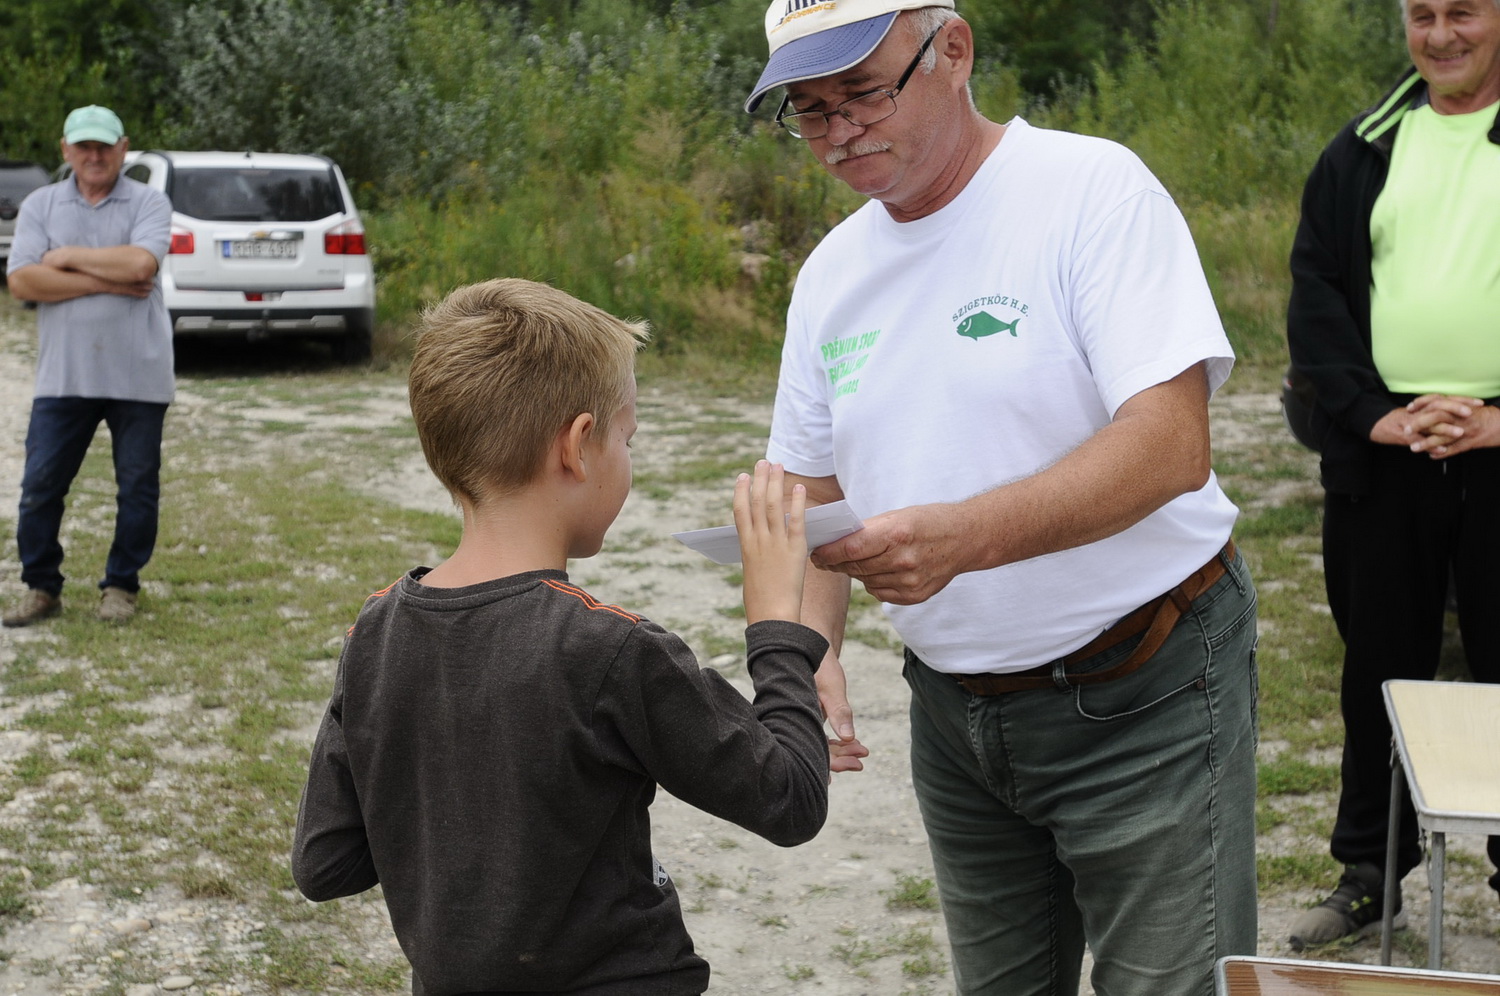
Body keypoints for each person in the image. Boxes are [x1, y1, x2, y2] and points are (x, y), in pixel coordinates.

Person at [744, 2, 1259, 993]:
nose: (839, 129)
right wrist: (810, 649)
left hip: (1146, 686)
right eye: (809, 110)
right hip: (957, 718)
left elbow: (1170, 444)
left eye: (862, 92)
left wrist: (965, 539)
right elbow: (813, 491)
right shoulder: (830, 276)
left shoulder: (1090, 190)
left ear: (953, 50)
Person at [290, 278, 830, 996]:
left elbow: (326, 863)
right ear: (577, 447)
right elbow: (791, 797)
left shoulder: (376, 629)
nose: (629, 458)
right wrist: (777, 625)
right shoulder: (610, 651)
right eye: (627, 440)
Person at [1284, 0, 1500, 950]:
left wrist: (1495, 421)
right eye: (1422, 14)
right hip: (1387, 455)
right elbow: (1317, 294)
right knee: (1379, 673)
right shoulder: (1363, 147)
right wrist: (1376, 414)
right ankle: (1372, 874)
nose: (1440, 34)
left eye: (1464, 12)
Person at [3, 104, 173, 627]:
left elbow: (141, 264)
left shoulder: (150, 200)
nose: (94, 156)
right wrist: (107, 280)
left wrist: (64, 256)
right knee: (40, 488)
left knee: (137, 490)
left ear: (123, 148)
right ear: (66, 149)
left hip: (140, 374)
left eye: (104, 146)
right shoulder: (41, 204)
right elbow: (23, 281)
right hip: (64, 375)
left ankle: (121, 586)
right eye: (84, 146)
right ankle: (42, 587)